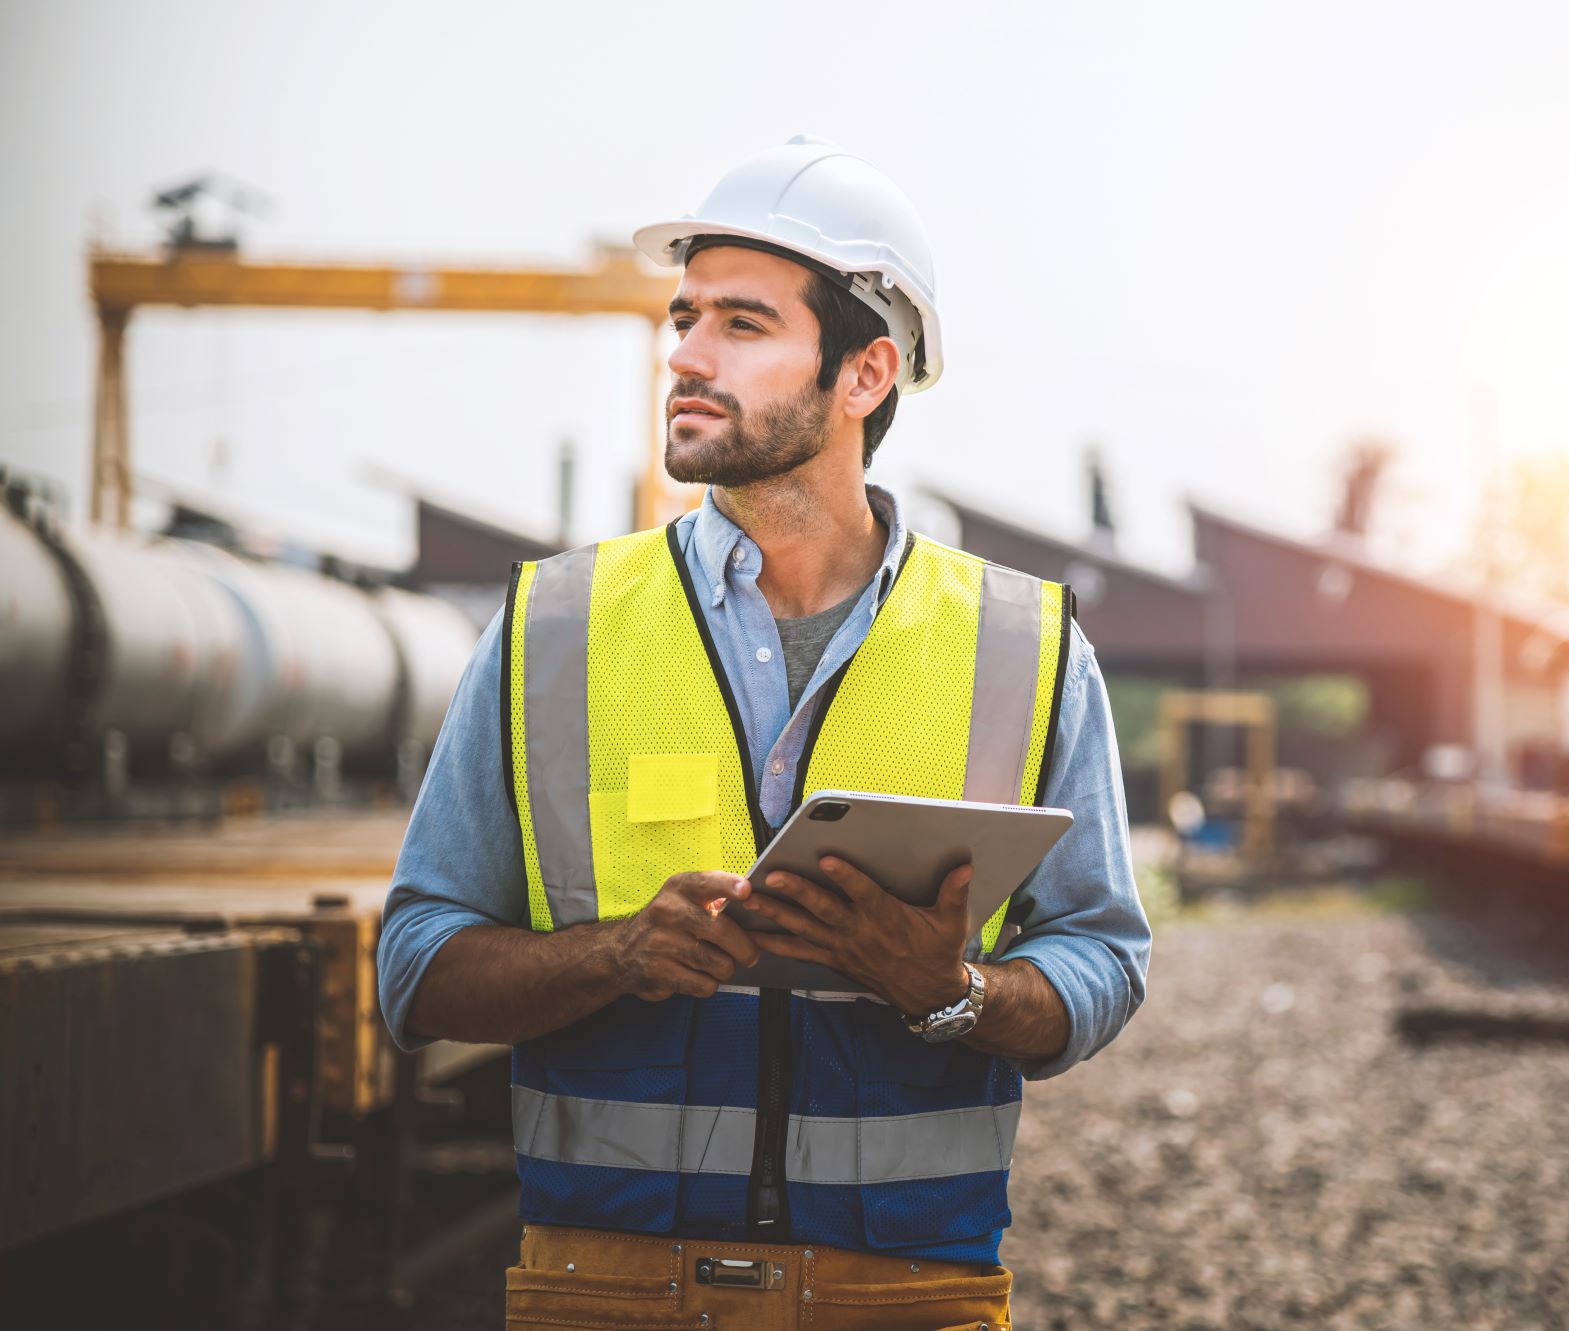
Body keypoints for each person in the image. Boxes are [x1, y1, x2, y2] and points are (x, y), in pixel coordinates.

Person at [376, 136, 1150, 1331]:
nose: (682, 353)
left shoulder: (1023, 645)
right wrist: (614, 953)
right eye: (683, 317)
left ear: (864, 373)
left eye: (741, 323)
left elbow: (1101, 959)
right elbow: (416, 967)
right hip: (602, 1289)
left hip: (907, 1290)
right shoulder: (552, 626)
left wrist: (946, 990)